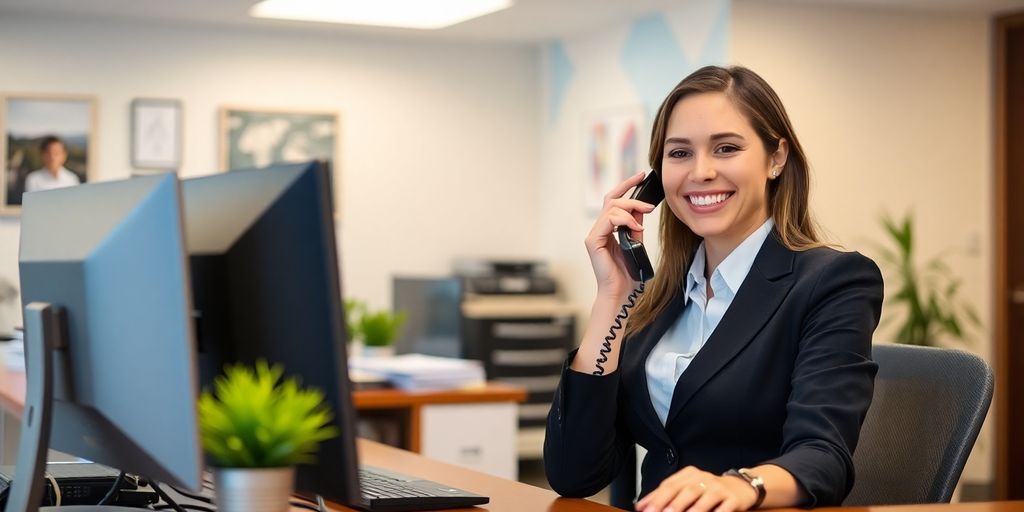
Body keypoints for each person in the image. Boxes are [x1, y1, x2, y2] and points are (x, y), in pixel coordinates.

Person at [543, 65, 883, 512]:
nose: (701, 172)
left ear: (776, 157)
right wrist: (613, 297)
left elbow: (824, 457)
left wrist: (743, 487)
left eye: (726, 148)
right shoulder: (659, 297)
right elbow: (574, 472)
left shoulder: (832, 282)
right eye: (679, 153)